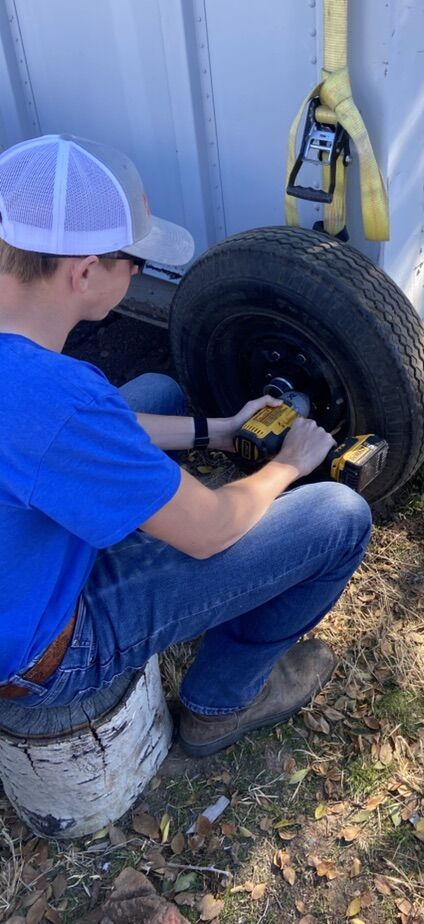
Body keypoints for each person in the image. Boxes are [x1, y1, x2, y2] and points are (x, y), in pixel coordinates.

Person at [0, 134, 372, 757]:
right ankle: (222, 703)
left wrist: (221, 428)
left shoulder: (40, 388)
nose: (138, 272)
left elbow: (67, 431)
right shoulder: (55, 400)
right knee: (340, 517)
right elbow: (209, 529)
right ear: (85, 271)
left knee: (154, 392)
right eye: (133, 262)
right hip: (38, 654)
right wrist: (288, 464)